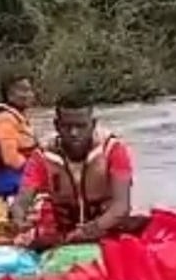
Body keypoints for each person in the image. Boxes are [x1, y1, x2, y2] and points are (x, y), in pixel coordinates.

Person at [11, 92, 134, 246]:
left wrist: (93, 229)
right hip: (62, 235)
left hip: (105, 231)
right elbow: (21, 201)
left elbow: (121, 206)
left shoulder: (114, 150)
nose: (74, 133)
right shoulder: (42, 156)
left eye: (81, 126)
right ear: (57, 125)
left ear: (93, 124)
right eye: (67, 126)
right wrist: (19, 219)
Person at [0, 73, 38, 200]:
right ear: (9, 94)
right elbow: (10, 159)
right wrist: (38, 168)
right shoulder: (4, 120)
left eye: (30, 90)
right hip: (2, 180)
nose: (28, 94)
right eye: (22, 90)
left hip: (11, 176)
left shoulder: (16, 116)